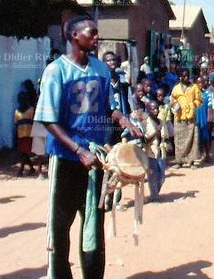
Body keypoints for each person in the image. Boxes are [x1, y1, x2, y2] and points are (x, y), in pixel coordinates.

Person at [34, 15, 140, 279]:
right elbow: (48, 119)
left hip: (96, 160)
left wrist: (124, 119)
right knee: (60, 227)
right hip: (66, 159)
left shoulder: (101, 70)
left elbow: (108, 108)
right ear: (74, 36)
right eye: (91, 33)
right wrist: (78, 150)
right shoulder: (56, 71)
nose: (97, 38)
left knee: (94, 223)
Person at [170, 67, 203, 167]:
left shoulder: (194, 87)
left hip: (190, 117)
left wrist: (194, 104)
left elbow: (199, 99)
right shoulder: (176, 89)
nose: (186, 78)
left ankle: (191, 161)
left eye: (188, 76)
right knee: (179, 140)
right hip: (179, 118)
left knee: (192, 139)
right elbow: (172, 100)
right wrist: (175, 105)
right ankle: (179, 161)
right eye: (184, 76)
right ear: (180, 77)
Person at [142, 100, 167, 202]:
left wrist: (167, 143)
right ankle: (154, 196)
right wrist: (154, 132)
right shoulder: (145, 123)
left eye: (157, 108)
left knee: (161, 176)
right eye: (153, 109)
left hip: (161, 152)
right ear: (148, 110)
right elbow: (144, 140)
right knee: (152, 176)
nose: (156, 111)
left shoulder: (161, 121)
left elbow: (166, 136)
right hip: (150, 153)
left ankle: (156, 192)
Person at [14, 91, 36, 177]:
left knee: (24, 153)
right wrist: (15, 137)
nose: (21, 101)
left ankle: (21, 169)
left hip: (28, 135)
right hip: (20, 135)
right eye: (20, 99)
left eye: (23, 99)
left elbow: (33, 122)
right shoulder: (17, 112)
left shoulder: (31, 110)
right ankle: (31, 168)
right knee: (23, 153)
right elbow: (16, 125)